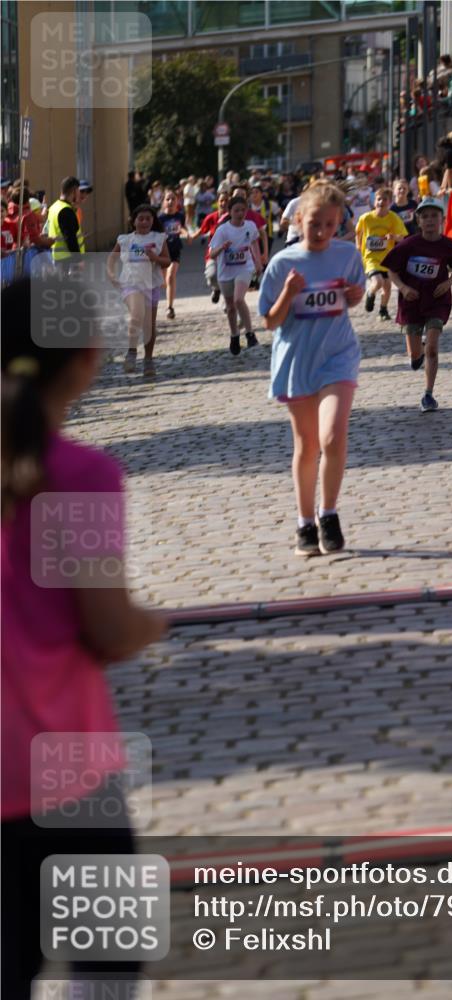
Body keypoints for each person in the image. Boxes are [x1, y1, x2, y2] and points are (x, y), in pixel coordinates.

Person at [1, 275, 166, 1000]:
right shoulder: (82, 476)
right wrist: (151, 624)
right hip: (65, 771)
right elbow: (109, 629)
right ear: (87, 359)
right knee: (108, 962)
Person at [258, 180, 365, 557]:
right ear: (299, 219)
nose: (321, 232)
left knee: (332, 437)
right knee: (306, 446)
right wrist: (289, 293)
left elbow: (352, 296)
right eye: (314, 224)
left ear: (339, 223)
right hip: (297, 360)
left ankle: (328, 513)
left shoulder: (347, 255)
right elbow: (270, 321)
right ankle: (305, 522)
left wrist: (355, 295)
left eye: (330, 225)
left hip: (338, 355)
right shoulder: (282, 263)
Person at [384, 196, 452, 414]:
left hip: (437, 302)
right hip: (411, 303)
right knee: (415, 356)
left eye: (434, 216)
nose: (430, 220)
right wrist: (403, 288)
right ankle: (417, 352)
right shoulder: (408, 245)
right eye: (425, 216)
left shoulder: (448, 246)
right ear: (418, 221)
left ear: (442, 220)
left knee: (432, 348)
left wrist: (448, 283)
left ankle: (428, 394)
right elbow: (391, 270)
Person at [107, 203, 170, 377]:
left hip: (151, 285)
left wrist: (155, 258)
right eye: (140, 219)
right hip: (130, 284)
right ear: (133, 221)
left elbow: (167, 261)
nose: (144, 222)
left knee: (149, 326)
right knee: (137, 314)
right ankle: (132, 351)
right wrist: (111, 275)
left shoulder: (159, 238)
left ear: (153, 221)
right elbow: (111, 259)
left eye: (148, 219)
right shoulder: (125, 240)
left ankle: (148, 359)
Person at [209, 196, 262, 355]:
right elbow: (212, 254)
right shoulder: (223, 230)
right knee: (230, 307)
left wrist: (258, 262)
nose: (240, 213)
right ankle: (234, 335)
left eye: (243, 210)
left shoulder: (250, 226)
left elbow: (254, 243)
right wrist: (222, 248)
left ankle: (250, 333)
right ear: (230, 212)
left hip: (244, 268)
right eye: (236, 210)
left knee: (239, 299)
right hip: (226, 271)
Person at [355, 187, 407, 322]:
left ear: (389, 202)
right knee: (378, 282)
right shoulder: (366, 218)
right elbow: (358, 232)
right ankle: (370, 292)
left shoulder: (393, 218)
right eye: (378, 199)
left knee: (387, 286)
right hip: (371, 257)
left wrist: (393, 237)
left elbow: (402, 237)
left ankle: (383, 310)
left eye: (385, 199)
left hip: (387, 258)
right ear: (374, 202)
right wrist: (358, 246)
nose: (381, 202)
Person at [158, 189, 190, 320]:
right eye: (168, 199)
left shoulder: (180, 215)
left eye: (173, 199)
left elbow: (182, 227)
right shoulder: (159, 218)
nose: (170, 201)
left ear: (177, 202)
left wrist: (187, 234)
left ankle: (169, 307)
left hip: (175, 249)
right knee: (163, 282)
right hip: (162, 252)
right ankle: (165, 289)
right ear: (163, 202)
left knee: (171, 276)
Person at [46, 177, 84, 268]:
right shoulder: (66, 210)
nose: (79, 194)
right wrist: (78, 259)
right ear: (74, 190)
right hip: (68, 259)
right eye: (78, 190)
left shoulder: (54, 207)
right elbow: (70, 237)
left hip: (57, 257)